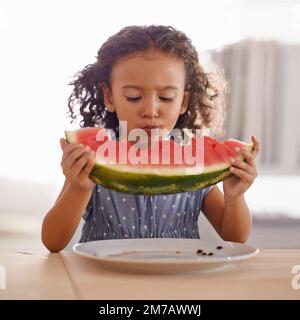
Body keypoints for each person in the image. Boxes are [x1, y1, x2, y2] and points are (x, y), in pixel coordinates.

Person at [41, 25, 260, 252]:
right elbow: (53, 241)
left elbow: (234, 238)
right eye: (134, 97)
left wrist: (235, 197)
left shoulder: (193, 160)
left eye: (166, 97)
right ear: (109, 97)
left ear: (183, 102)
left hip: (177, 277)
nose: (150, 110)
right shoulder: (93, 159)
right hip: (105, 280)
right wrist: (79, 188)